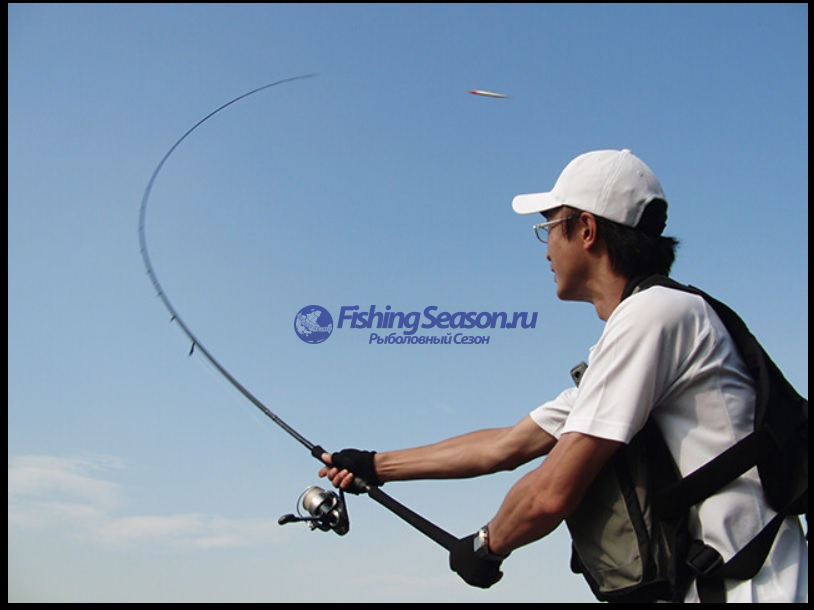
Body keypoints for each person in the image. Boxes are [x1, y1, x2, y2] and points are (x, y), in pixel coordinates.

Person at [318, 149, 808, 602]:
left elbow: (552, 491)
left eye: (549, 226)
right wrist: (377, 465)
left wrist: (488, 544)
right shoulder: (639, 334)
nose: (546, 248)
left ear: (587, 229)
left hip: (758, 590)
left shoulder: (654, 316)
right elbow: (506, 446)